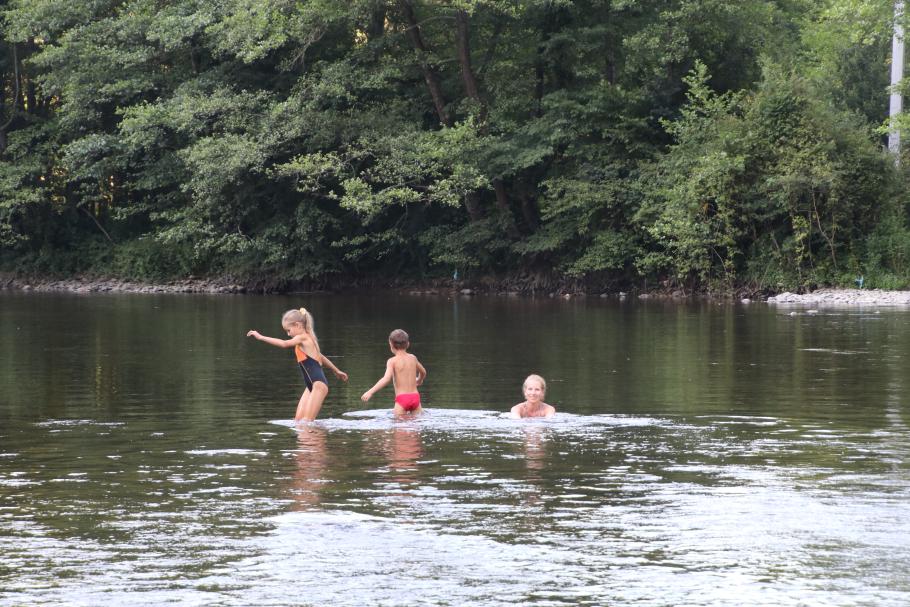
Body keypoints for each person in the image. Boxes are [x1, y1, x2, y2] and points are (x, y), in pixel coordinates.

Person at [247, 308, 348, 423]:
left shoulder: (303, 337)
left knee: (307, 422)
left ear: (297, 325)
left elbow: (284, 344)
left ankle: (319, 434)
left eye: (288, 330)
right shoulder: (305, 341)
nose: (288, 334)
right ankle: (315, 433)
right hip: (310, 386)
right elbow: (320, 357)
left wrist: (261, 337)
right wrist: (336, 370)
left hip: (318, 385)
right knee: (299, 422)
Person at [361, 329, 427, 415]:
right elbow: (423, 372)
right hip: (415, 397)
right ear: (408, 344)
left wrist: (370, 392)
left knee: (398, 423)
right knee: (415, 422)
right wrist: (419, 380)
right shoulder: (413, 358)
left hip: (402, 399)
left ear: (391, 344)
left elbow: (386, 379)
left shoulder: (392, 361)